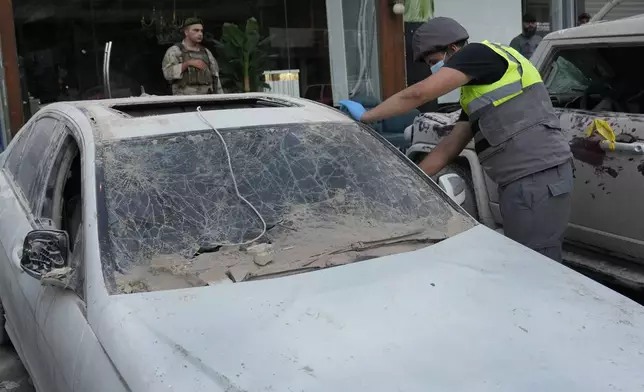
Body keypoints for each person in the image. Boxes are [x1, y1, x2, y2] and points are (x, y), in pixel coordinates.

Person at [339, 17, 573, 262]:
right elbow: (450, 147)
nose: (433, 69)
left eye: (434, 62)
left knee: (535, 265)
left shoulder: (479, 53)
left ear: (452, 49)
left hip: (537, 176)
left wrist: (367, 116)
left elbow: (418, 93)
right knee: (524, 260)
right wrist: (410, 180)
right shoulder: (475, 92)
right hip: (523, 180)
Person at [162, 17, 224, 95]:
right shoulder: (175, 51)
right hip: (183, 99)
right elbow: (167, 74)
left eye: (201, 31)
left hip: (206, 99)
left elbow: (215, 78)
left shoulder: (206, 52)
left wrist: (220, 98)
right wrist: (188, 63)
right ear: (186, 32)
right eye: (196, 30)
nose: (200, 34)